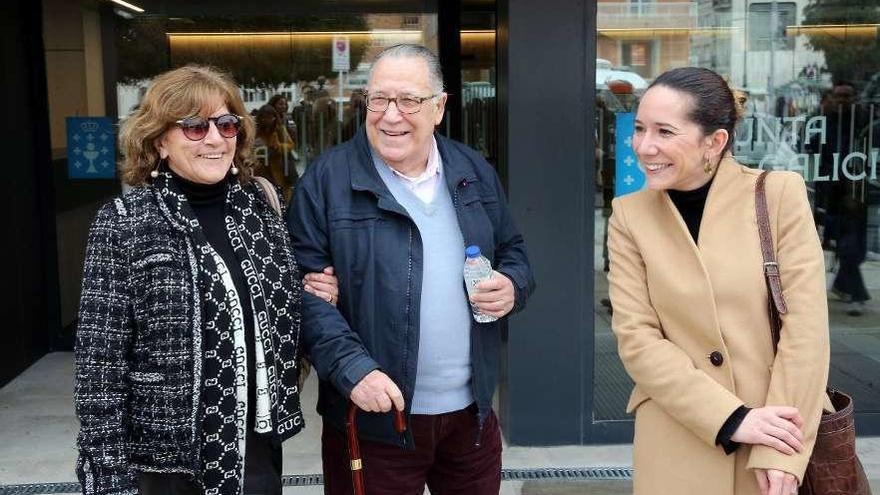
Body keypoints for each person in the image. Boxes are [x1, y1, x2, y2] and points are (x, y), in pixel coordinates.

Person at [74, 65, 339, 495]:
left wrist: (315, 291)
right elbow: (98, 366)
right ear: (160, 141)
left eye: (226, 123)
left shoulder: (262, 208)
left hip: (255, 449)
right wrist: (106, 474)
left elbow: (284, 310)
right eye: (195, 127)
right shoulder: (124, 223)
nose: (215, 138)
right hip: (163, 463)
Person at [288, 44, 535, 495]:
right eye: (379, 99)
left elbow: (515, 252)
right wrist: (352, 369)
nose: (390, 115)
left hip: (472, 419)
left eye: (409, 101)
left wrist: (512, 286)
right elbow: (301, 296)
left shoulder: (472, 170)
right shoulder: (325, 182)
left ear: (439, 107)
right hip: (372, 420)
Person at [607, 67, 830, 495]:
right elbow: (637, 339)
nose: (643, 146)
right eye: (639, 128)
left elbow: (806, 332)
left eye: (664, 131)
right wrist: (730, 418)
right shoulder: (629, 215)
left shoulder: (779, 195)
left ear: (716, 141)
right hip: (678, 435)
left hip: (775, 430)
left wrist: (784, 449)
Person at [807, 81, 871, 315]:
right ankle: (856, 292)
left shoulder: (862, 122)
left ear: (854, 99)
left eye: (847, 96)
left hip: (857, 192)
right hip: (831, 193)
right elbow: (810, 149)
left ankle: (844, 284)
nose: (843, 101)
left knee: (854, 247)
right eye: (839, 96)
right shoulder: (824, 122)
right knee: (846, 245)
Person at [254, 104, 297, 198]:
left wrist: (278, 147)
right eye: (264, 117)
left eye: (270, 117)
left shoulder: (279, 129)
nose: (267, 120)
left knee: (282, 195)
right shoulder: (256, 131)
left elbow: (290, 145)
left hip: (279, 169)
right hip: (261, 168)